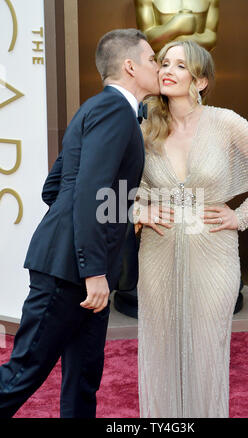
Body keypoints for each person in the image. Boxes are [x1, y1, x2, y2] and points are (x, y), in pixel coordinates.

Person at [0, 28, 159, 418]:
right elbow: (89, 190)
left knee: (84, 378)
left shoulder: (98, 107)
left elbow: (54, 187)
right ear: (130, 66)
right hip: (73, 272)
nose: (157, 66)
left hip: (84, 268)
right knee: (22, 373)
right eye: (152, 59)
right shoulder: (114, 110)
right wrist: (91, 268)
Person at [133, 40, 248, 418]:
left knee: (207, 349)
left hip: (215, 256)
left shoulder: (225, 122)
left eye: (180, 66)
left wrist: (243, 216)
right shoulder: (144, 129)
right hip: (157, 254)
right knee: (160, 347)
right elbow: (128, 188)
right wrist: (140, 209)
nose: (167, 70)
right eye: (164, 63)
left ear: (201, 80)